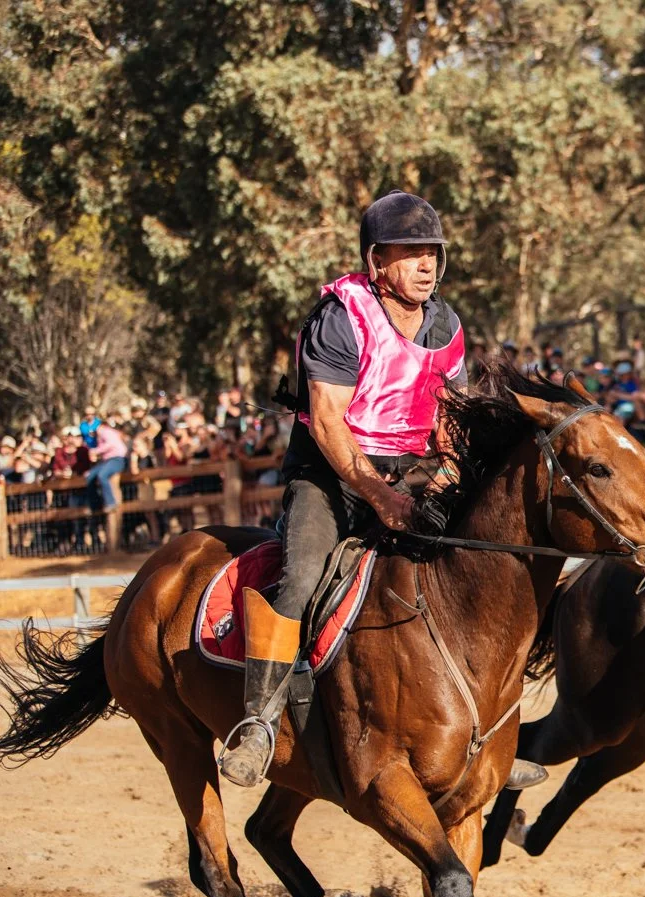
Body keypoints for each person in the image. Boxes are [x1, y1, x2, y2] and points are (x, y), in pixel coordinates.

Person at [218, 190, 545, 792]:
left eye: (433, 253)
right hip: (330, 475)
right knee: (301, 575)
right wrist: (378, 495)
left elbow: (449, 411)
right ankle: (258, 722)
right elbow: (327, 420)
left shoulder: (446, 323)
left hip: (407, 474)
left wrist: (450, 468)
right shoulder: (340, 316)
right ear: (376, 261)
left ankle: (490, 734)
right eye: (411, 252)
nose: (427, 264)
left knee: (480, 570)